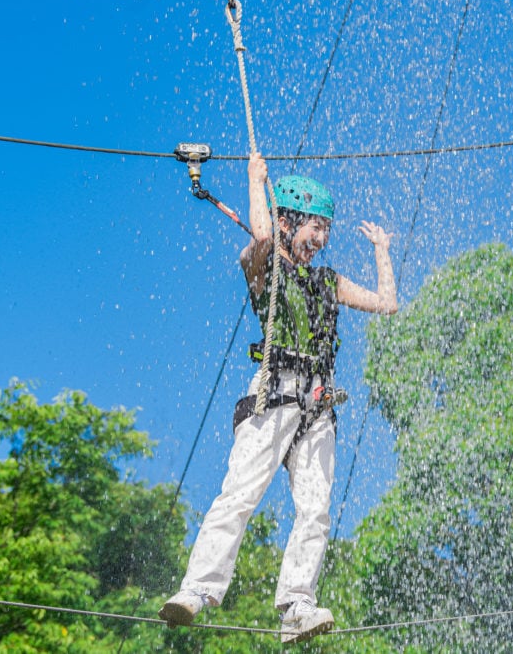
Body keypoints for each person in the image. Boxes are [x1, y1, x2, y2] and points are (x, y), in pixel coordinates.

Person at [159, 152, 397, 642]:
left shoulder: (328, 281)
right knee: (239, 495)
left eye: (326, 230)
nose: (322, 239)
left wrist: (382, 250)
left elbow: (387, 304)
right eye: (315, 227)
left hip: (317, 407)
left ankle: (296, 606)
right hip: (273, 394)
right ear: (287, 222)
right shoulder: (260, 266)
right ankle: (198, 589)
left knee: (316, 509)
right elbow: (263, 238)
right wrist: (255, 179)